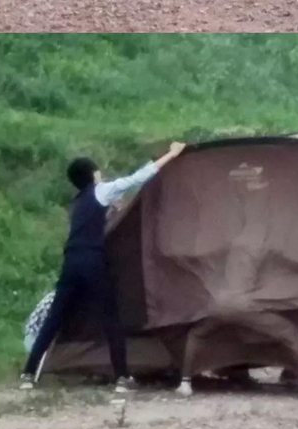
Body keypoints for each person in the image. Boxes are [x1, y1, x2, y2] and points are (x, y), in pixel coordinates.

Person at [20, 145, 186, 389]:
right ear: (93, 175)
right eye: (98, 172)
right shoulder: (101, 190)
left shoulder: (77, 203)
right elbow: (136, 179)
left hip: (71, 262)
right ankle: (122, 377)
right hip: (91, 261)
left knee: (55, 317)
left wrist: (110, 212)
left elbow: (92, 224)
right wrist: (171, 155)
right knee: (110, 318)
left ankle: (28, 374)